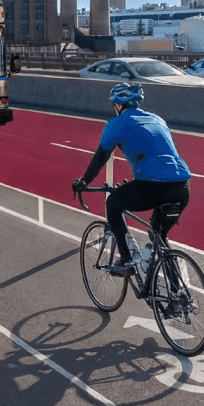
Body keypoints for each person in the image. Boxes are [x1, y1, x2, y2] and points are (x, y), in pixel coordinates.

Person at [71, 82, 192, 275]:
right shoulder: (158, 119)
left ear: (118, 104)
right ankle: (177, 296)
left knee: (113, 203)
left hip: (151, 186)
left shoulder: (116, 124)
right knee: (158, 235)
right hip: (182, 187)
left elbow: (101, 157)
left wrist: (84, 181)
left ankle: (126, 260)